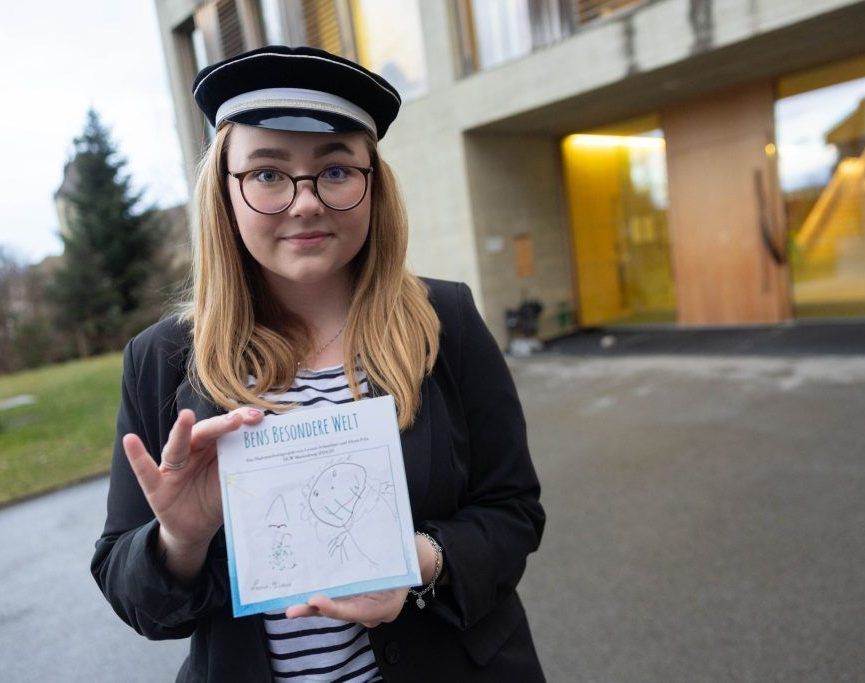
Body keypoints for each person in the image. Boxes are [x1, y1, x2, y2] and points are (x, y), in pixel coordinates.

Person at [91, 45, 545, 682]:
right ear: (224, 192)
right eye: (268, 174)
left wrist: (417, 561)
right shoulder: (162, 359)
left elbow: (513, 509)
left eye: (335, 170)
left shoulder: (446, 320)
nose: (305, 202)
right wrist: (180, 542)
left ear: (372, 185)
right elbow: (138, 601)